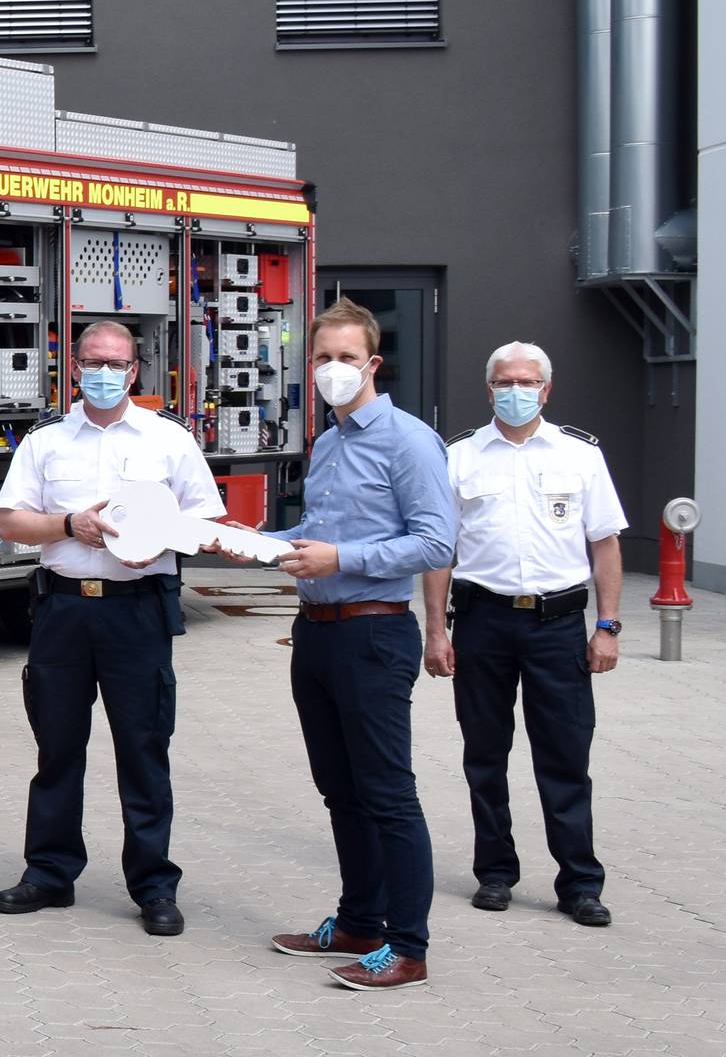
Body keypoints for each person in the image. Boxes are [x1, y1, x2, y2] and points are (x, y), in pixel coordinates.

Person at [0, 321, 221, 936]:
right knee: (57, 747)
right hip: (63, 611)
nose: (103, 372)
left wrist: (158, 542)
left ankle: (153, 886)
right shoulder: (45, 442)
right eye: (92, 360)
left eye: (115, 363)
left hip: (137, 609)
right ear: (73, 365)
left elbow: (206, 518)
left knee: (144, 750)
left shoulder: (168, 440)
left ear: (135, 371)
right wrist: (69, 525)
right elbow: (11, 523)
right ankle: (49, 873)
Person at [259, 297, 455, 991]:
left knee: (386, 795)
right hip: (315, 636)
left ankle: (406, 946)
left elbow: (435, 541)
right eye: (321, 359)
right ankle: (357, 922)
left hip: (372, 632)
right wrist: (243, 541)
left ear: (372, 363)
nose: (332, 370)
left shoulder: (407, 441)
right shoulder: (330, 441)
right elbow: (313, 531)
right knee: (339, 791)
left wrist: (339, 559)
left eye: (345, 358)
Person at [422, 341, 626, 928]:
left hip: (559, 625)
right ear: (489, 390)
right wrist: (436, 630)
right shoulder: (459, 457)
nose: (516, 390)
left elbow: (604, 543)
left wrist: (606, 627)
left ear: (546, 389)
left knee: (565, 757)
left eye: (528, 381)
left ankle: (580, 882)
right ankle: (495, 872)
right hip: (483, 622)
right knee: (485, 754)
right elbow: (441, 551)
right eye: (505, 381)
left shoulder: (579, 455)